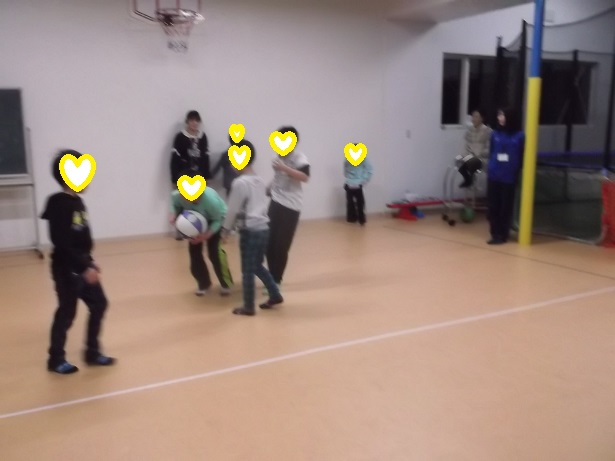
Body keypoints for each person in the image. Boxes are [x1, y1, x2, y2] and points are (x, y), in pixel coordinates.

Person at [41, 149, 115, 374]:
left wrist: (90, 261)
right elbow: (62, 243)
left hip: (82, 264)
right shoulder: (58, 204)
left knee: (99, 303)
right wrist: (83, 267)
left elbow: (81, 238)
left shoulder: (79, 202)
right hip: (66, 269)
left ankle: (92, 352)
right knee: (67, 312)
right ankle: (55, 359)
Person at [221, 140, 283, 316]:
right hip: (264, 229)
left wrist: (225, 231)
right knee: (256, 265)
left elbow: (232, 210)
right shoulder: (259, 180)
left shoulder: (240, 183)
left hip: (250, 231)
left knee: (247, 270)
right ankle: (275, 294)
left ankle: (248, 307)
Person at [170, 174, 234, 296]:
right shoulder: (177, 196)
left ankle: (226, 283)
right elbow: (173, 204)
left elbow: (218, 220)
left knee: (215, 253)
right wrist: (172, 213)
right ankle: (204, 283)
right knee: (194, 253)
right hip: (195, 221)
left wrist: (206, 235)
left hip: (216, 220)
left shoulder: (210, 201)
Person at [266, 125, 310, 287]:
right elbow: (278, 176)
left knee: (281, 245)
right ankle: (271, 276)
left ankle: (276, 280)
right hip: (275, 201)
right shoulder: (277, 157)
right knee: (269, 243)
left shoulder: (299, 158)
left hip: (291, 206)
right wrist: (269, 186)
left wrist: (285, 168)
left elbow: (305, 177)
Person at [170, 110, 210, 240]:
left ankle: (196, 229)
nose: (194, 123)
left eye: (197, 120)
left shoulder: (202, 137)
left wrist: (206, 176)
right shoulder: (180, 137)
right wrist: (174, 178)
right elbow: (175, 159)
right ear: (187, 122)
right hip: (184, 176)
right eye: (192, 120)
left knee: (198, 203)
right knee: (182, 202)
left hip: (199, 176)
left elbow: (206, 158)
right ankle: (180, 230)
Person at [486, 107, 525, 245]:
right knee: (493, 205)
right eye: (499, 115)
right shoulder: (495, 134)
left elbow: (522, 155)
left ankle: (503, 233)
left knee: (505, 206)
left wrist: (516, 170)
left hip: (508, 177)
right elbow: (492, 152)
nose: (500, 118)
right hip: (494, 174)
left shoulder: (520, 136)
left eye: (502, 115)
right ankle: (494, 232)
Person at [457, 109, 491, 188]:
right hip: (470, 156)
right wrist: (464, 155)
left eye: (476, 117)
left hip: (482, 158)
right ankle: (468, 180)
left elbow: (488, 148)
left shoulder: (488, 131)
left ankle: (470, 180)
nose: (473, 119)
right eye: (473, 116)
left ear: (482, 118)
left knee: (471, 162)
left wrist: (478, 154)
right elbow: (467, 146)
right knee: (458, 160)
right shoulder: (470, 130)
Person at [344, 154, 373, 225]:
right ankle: (360, 219)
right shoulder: (362, 159)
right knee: (359, 202)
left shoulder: (348, 159)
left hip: (351, 183)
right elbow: (369, 170)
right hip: (355, 183)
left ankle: (353, 218)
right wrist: (364, 180)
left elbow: (345, 171)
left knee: (352, 202)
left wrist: (363, 180)